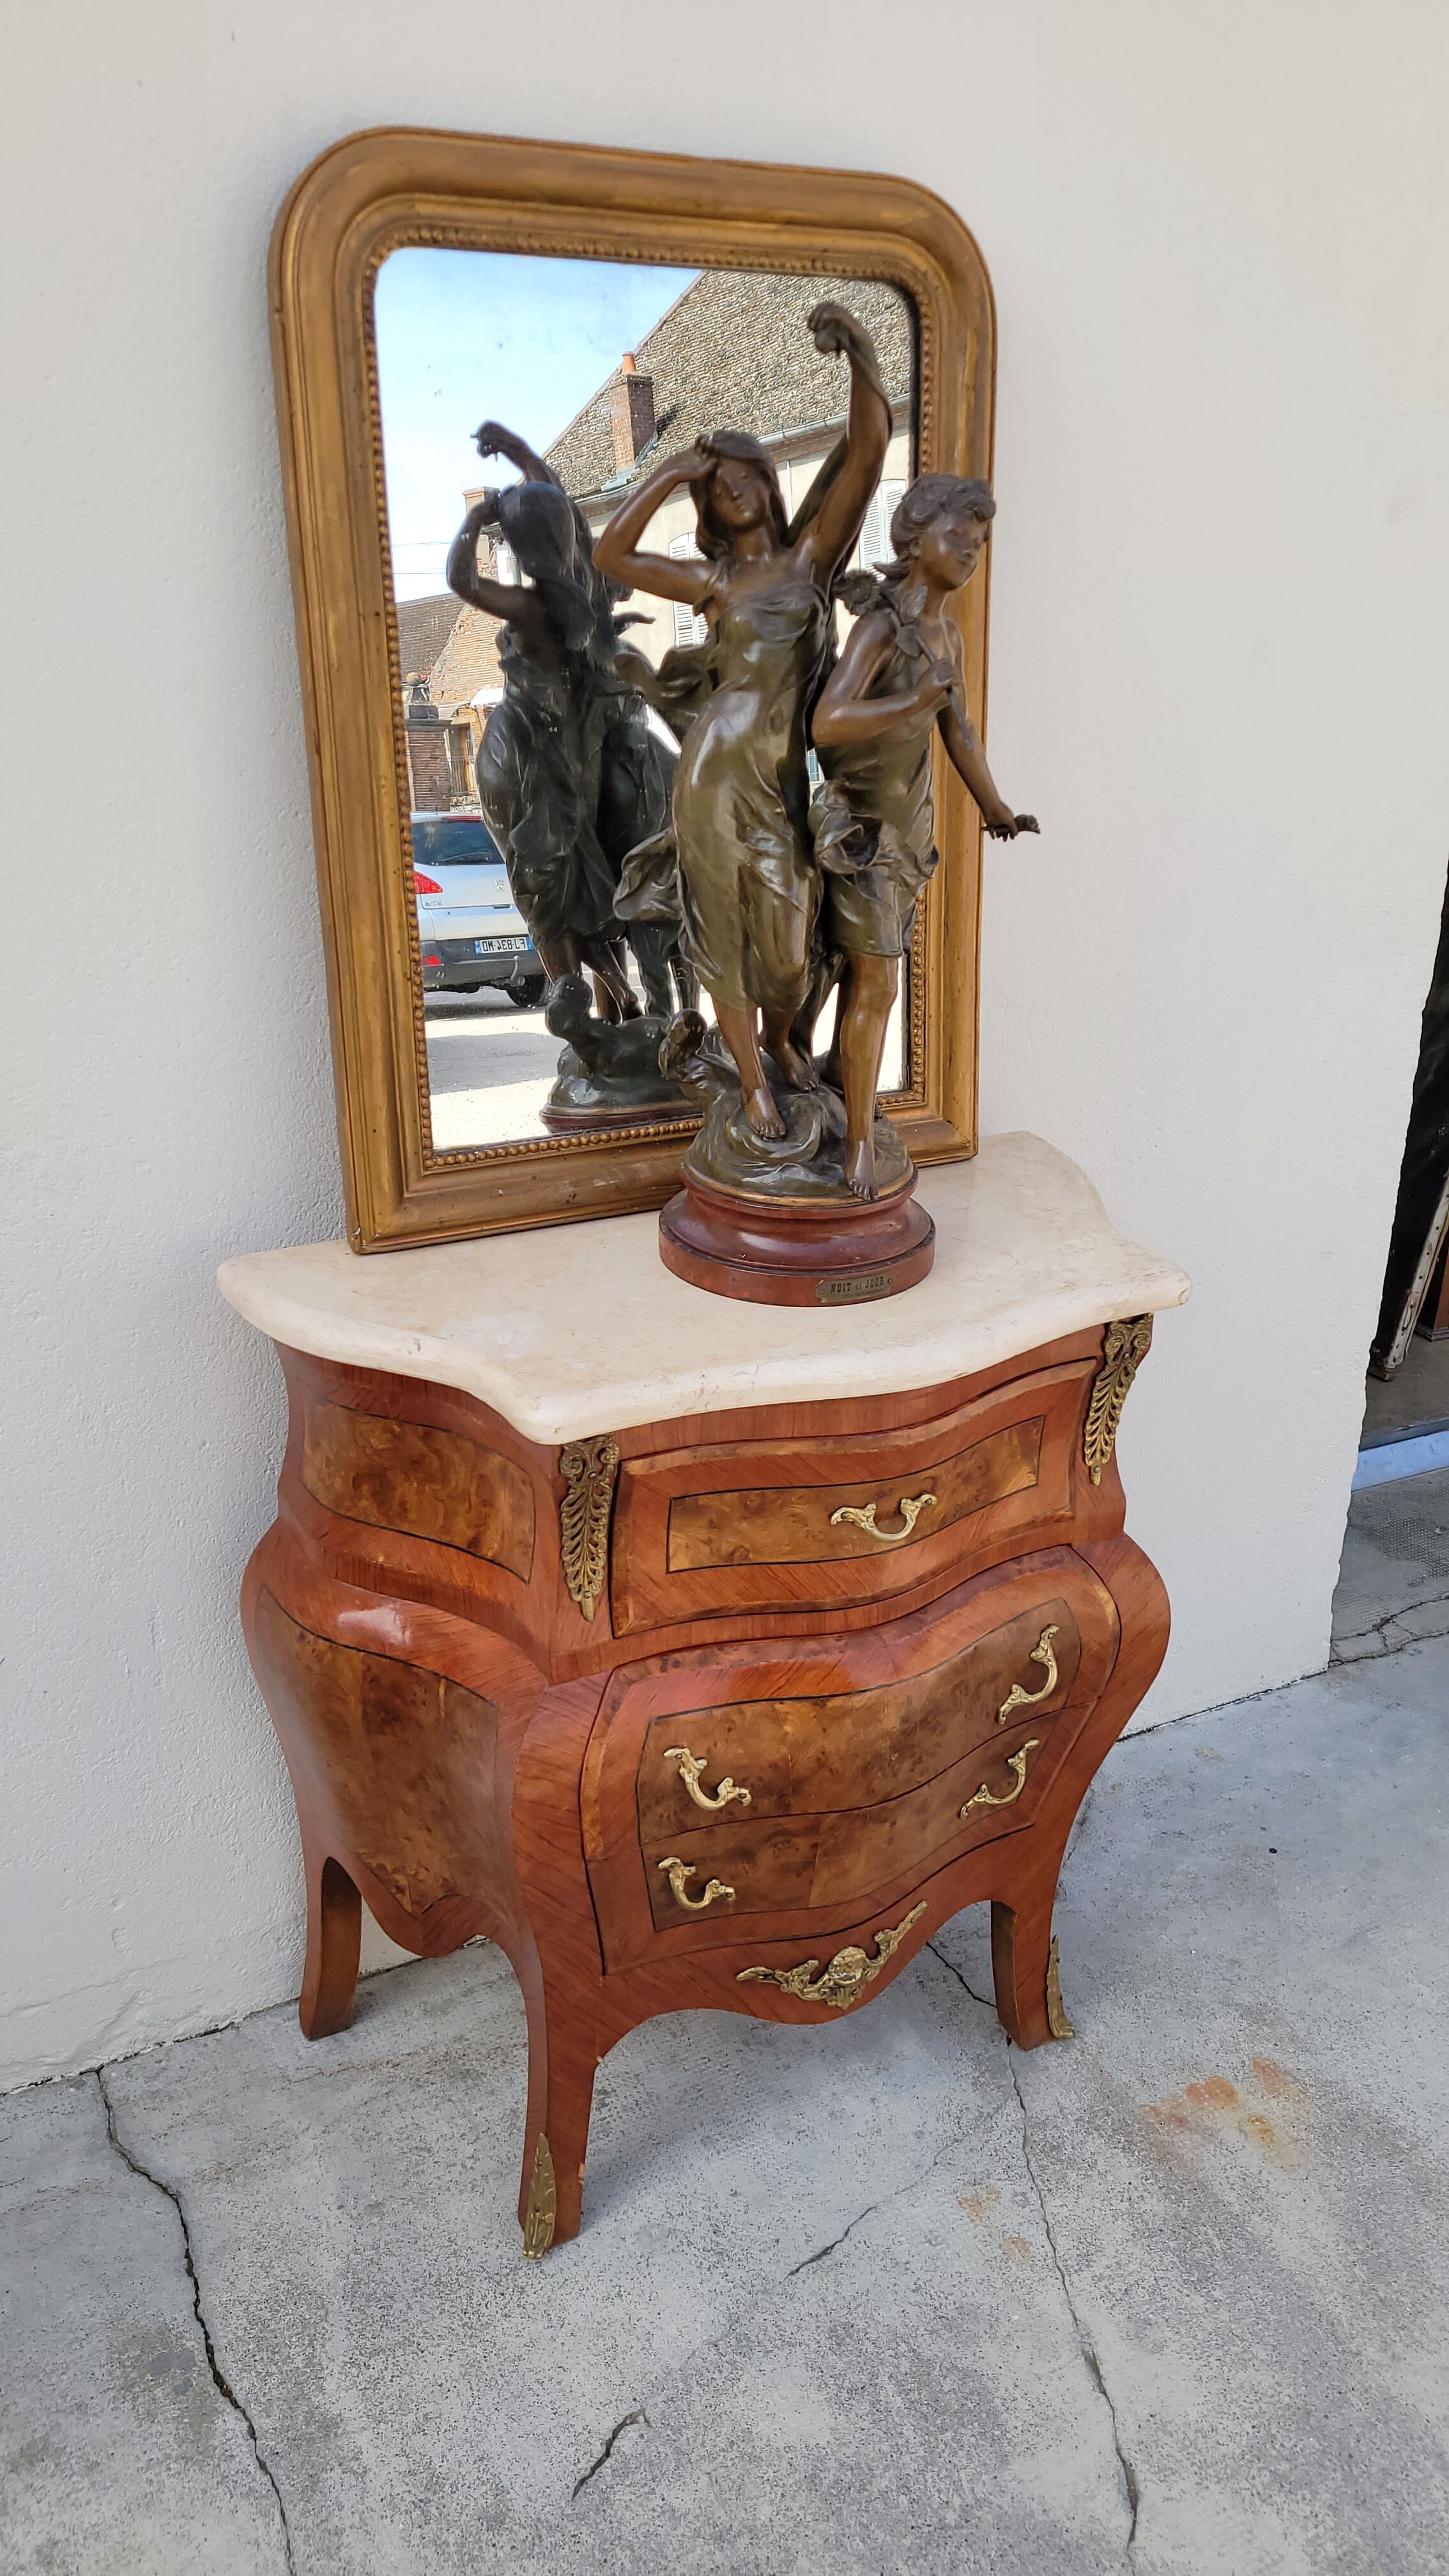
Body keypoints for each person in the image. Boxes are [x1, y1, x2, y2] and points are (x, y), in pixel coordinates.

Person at [594, 303, 893, 1140]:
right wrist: (667, 473)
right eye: (715, 490)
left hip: (779, 779)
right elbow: (610, 557)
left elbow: (868, 456)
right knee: (722, 931)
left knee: (793, 943)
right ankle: (757, 1084)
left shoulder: (810, 560)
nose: (732, 492)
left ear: (768, 482)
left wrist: (863, 356)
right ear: (710, 509)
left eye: (744, 478)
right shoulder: (714, 584)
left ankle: (782, 1037)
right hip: (711, 776)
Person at [810, 474, 1038, 1196]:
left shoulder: (947, 635)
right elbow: (826, 723)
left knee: (858, 977)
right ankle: (855, 1146)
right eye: (958, 538)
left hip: (911, 832)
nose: (972, 551)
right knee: (876, 981)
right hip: (860, 830)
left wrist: (994, 808)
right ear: (913, 542)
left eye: (980, 541)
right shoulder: (882, 627)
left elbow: (959, 729)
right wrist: (913, 697)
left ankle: (838, 1098)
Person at [445, 461, 639, 1015]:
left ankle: (574, 998)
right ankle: (614, 990)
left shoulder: (532, 607)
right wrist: (520, 457)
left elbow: (461, 581)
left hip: (521, 742)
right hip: (568, 749)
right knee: (576, 875)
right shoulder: (579, 600)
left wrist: (476, 522)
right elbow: (566, 512)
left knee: (537, 882)